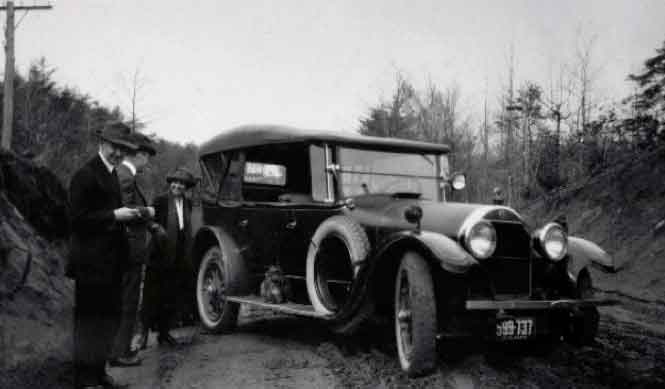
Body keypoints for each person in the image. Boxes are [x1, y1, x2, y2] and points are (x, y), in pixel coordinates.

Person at [67, 121, 141, 389]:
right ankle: (84, 380)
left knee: (108, 320)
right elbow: (76, 220)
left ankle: (98, 373)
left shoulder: (111, 175)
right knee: (89, 323)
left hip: (110, 264)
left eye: (123, 150)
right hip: (90, 265)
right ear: (102, 144)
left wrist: (125, 218)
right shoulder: (85, 175)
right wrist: (114, 215)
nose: (119, 154)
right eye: (115, 147)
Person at [108, 132, 157, 367]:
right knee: (128, 301)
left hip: (124, 249)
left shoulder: (123, 174)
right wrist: (148, 212)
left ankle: (117, 349)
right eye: (147, 157)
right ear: (141, 155)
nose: (148, 162)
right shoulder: (126, 176)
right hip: (129, 250)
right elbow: (126, 209)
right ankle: (121, 353)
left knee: (123, 300)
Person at [142, 167, 196, 347]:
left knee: (170, 296)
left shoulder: (188, 203)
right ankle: (143, 334)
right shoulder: (160, 200)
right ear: (170, 183)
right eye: (175, 182)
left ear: (186, 187)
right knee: (152, 295)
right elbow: (147, 219)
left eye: (181, 183)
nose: (177, 186)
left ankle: (164, 333)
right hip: (159, 255)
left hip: (178, 256)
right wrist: (156, 228)